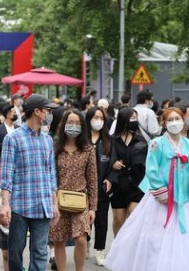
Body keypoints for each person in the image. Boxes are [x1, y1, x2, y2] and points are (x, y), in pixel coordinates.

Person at [106, 108, 189, 271]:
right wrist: (162, 191)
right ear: (164, 123)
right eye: (170, 119)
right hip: (160, 198)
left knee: (184, 238)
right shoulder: (156, 143)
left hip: (183, 198)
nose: (174, 122)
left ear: (183, 121)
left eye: (177, 118)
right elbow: (152, 170)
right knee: (156, 237)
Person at [0, 94, 60, 271]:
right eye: (47, 110)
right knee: (16, 251)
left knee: (40, 251)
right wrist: (5, 204)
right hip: (20, 205)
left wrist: (54, 203)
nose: (49, 114)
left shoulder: (47, 140)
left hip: (43, 205)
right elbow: (6, 175)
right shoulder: (13, 138)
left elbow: (51, 174)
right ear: (37, 111)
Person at [49, 109, 97, 271]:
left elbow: (92, 179)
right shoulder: (55, 148)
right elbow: (51, 177)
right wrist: (52, 201)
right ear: (63, 125)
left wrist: (93, 208)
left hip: (80, 201)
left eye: (77, 123)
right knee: (59, 240)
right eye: (70, 122)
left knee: (81, 238)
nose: (73, 126)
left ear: (82, 126)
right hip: (58, 200)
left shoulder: (88, 149)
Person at [107, 107, 147, 236]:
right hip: (118, 183)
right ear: (124, 120)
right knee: (119, 219)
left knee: (134, 217)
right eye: (132, 118)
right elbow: (108, 156)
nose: (134, 121)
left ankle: (130, 248)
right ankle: (117, 246)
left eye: (136, 118)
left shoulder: (140, 140)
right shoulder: (113, 139)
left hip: (136, 183)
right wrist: (113, 162)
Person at [85, 107, 112, 266]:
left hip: (102, 189)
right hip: (84, 189)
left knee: (101, 221)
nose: (98, 120)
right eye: (95, 117)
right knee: (84, 221)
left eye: (101, 118)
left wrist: (110, 179)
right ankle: (85, 244)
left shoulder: (109, 140)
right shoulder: (83, 139)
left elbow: (115, 162)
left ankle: (100, 250)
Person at [0, 104, 18, 186]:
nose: (15, 114)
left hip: (18, 159)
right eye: (13, 112)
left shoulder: (18, 128)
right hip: (4, 159)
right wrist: (8, 143)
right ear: (7, 114)